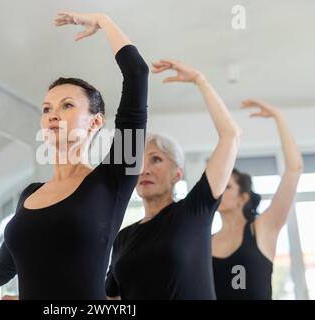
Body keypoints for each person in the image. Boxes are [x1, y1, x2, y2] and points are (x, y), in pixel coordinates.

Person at [0, 11, 149, 300]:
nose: (53, 115)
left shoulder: (115, 177)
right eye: (46, 109)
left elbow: (137, 72)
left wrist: (104, 21)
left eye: (67, 105)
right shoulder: (29, 195)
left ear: (95, 122)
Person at [105, 59, 241, 300]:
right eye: (138, 163)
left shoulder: (194, 211)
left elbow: (230, 136)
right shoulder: (123, 238)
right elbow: (110, 299)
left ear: (177, 173)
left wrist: (200, 80)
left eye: (156, 159)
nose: (144, 170)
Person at [212, 99, 303, 300]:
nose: (220, 190)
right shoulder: (206, 240)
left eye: (227, 187)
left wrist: (279, 117)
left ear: (243, 197)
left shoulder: (263, 228)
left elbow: (294, 169)